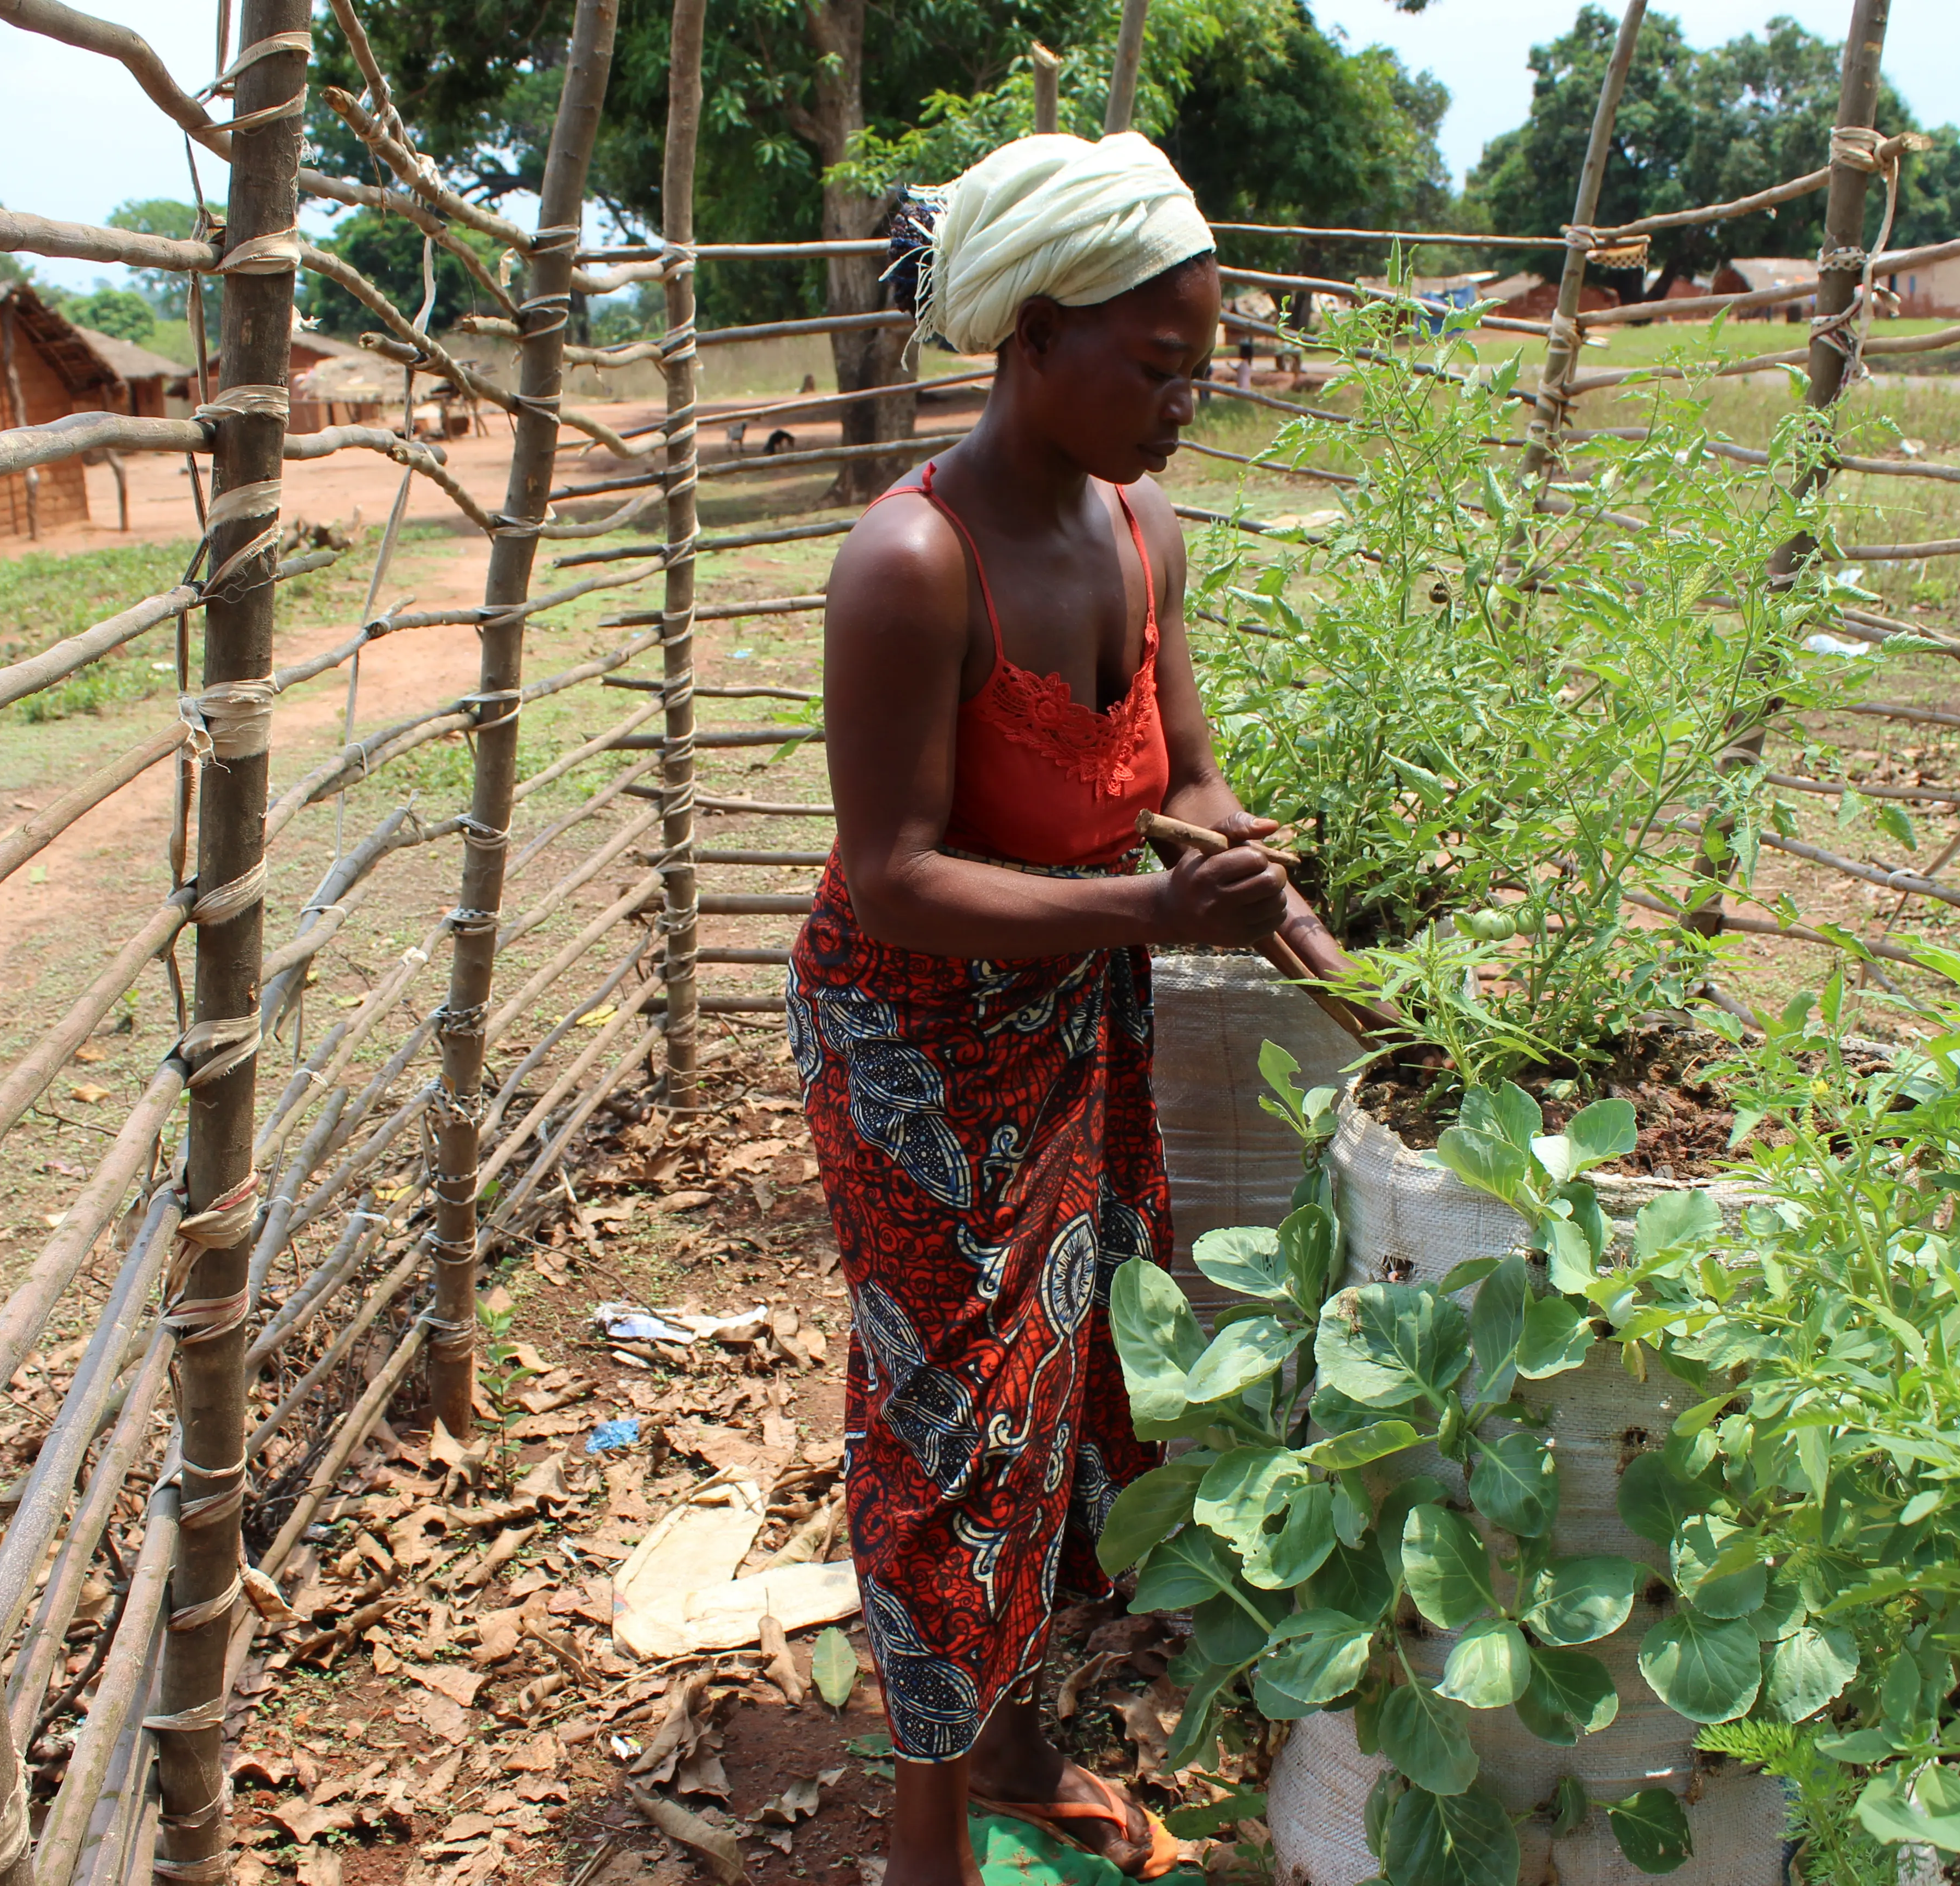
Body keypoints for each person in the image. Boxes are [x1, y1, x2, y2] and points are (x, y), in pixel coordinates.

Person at [783, 132, 1344, 1886]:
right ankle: (927, 1827)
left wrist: (1335, 968)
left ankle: (1017, 1736)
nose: (1193, 403)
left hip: (1065, 1013)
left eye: (1207, 362)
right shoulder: (911, 564)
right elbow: (894, 874)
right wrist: (1159, 909)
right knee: (954, 1418)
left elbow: (1195, 781)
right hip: (914, 1040)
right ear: (1031, 336)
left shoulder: (1139, 525)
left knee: (1072, 1374)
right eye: (1160, 366)